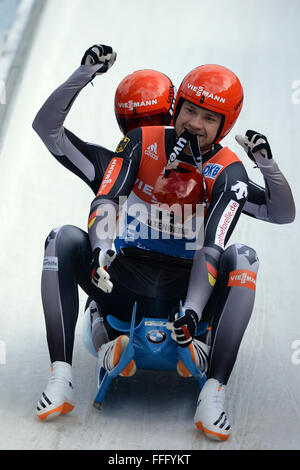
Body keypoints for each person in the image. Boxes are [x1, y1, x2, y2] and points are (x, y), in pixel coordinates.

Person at [32, 46, 295, 439]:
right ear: (176, 110)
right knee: (63, 238)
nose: (194, 125)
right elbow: (105, 198)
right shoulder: (139, 144)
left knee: (243, 257)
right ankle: (64, 374)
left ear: (223, 125)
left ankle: (212, 388)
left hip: (186, 292)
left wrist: (191, 310)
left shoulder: (228, 171)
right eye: (189, 112)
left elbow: (228, 238)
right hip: (123, 280)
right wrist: (101, 251)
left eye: (208, 118)